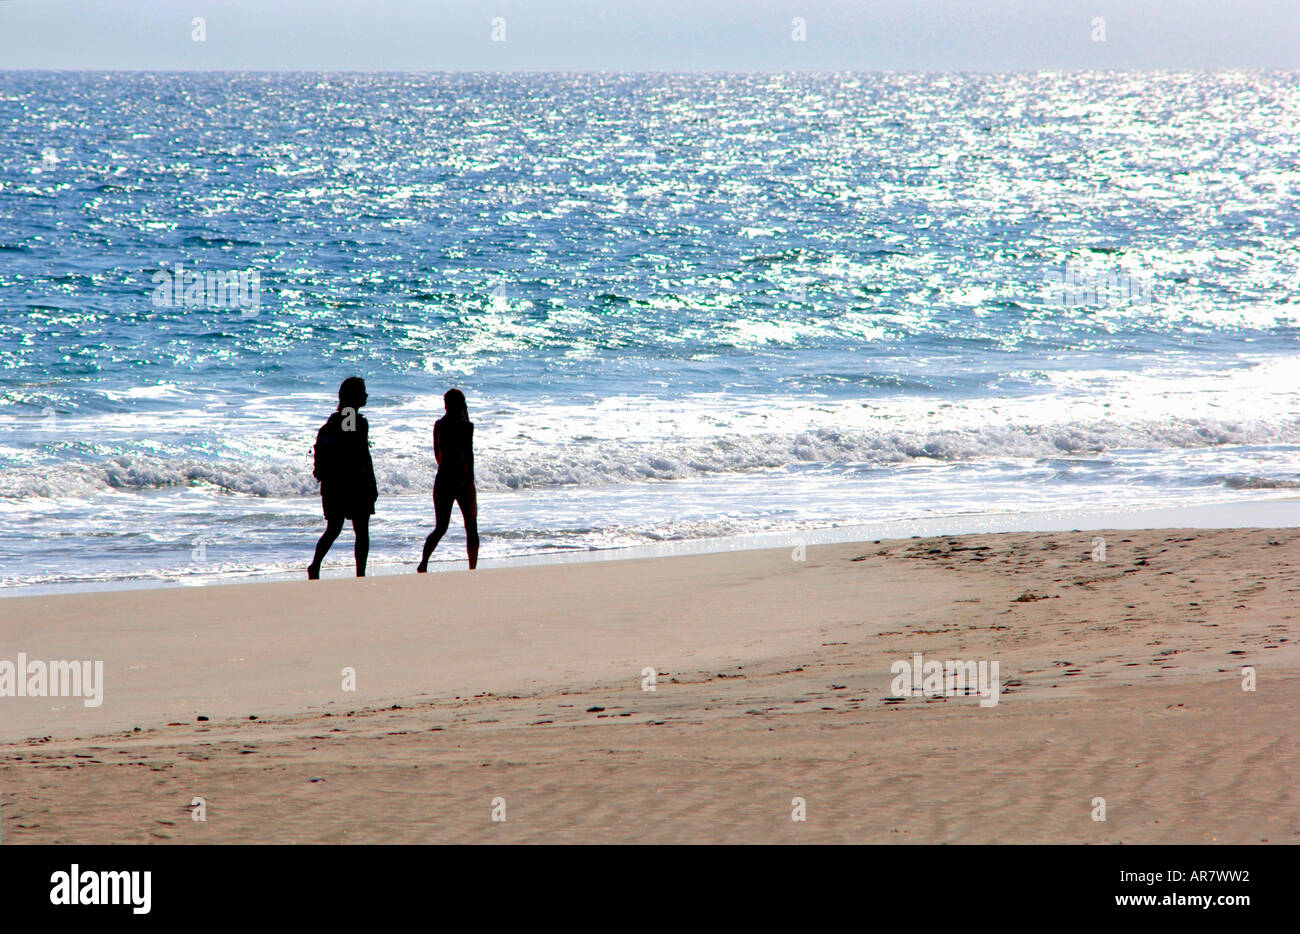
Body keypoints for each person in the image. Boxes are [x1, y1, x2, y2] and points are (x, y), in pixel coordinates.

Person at [308, 376, 377, 579]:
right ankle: (360, 574)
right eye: (362, 391)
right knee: (360, 531)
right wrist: (370, 484)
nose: (366, 395)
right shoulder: (352, 420)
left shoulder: (342, 419)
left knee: (334, 528)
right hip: (352, 484)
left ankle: (315, 566)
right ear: (353, 396)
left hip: (336, 484)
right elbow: (358, 454)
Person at [417, 388, 479, 571]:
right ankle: (472, 567)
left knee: (441, 527)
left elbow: (438, 455)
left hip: (443, 478)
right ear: (462, 405)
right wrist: (470, 479)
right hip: (463, 479)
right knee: (471, 525)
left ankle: (424, 562)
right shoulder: (467, 426)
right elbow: (468, 455)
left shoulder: (439, 425)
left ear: (445, 405)